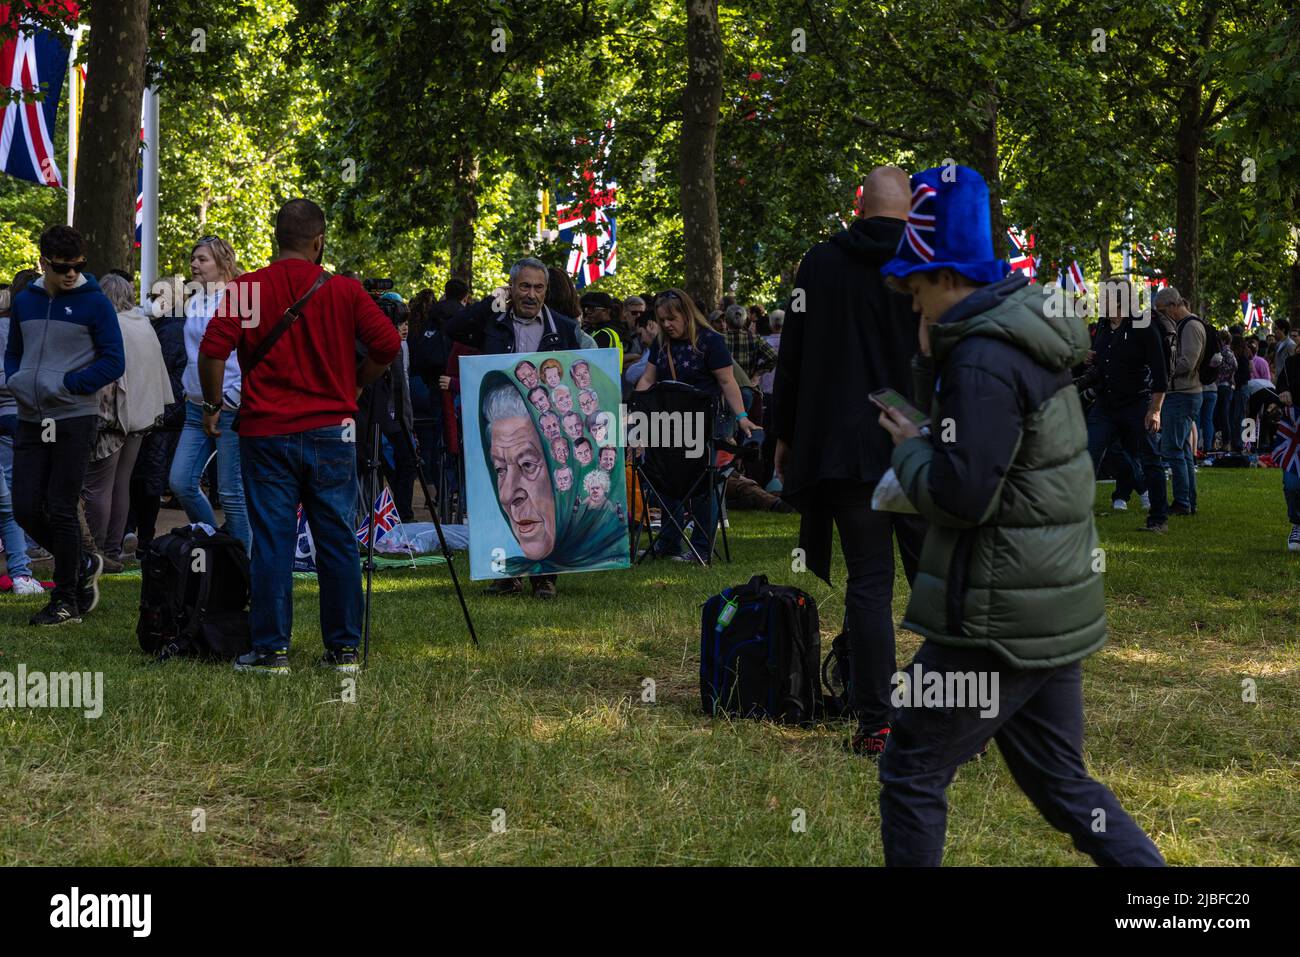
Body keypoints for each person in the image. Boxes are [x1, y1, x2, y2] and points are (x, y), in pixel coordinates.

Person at [875, 164, 1164, 866]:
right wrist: (926, 366)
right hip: (1048, 606)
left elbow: (961, 493)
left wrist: (908, 449)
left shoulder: (980, 358)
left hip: (997, 614)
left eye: (917, 295)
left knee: (910, 766)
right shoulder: (1021, 334)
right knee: (1064, 784)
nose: (916, 311)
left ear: (945, 277)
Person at [198, 198, 401, 674]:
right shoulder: (346, 291)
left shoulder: (247, 289)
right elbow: (388, 344)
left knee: (272, 539)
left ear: (274, 238)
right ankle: (344, 650)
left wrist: (211, 406)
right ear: (319, 241)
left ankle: (271, 650)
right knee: (337, 539)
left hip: (267, 432)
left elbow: (212, 350)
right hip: (334, 431)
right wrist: (356, 381)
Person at [771, 165, 926, 755]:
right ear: (909, 208)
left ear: (860, 205)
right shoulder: (930, 262)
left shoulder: (820, 263)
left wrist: (784, 433)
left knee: (869, 583)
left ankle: (876, 722)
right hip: (916, 441)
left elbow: (795, 355)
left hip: (844, 444)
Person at [445, 257, 584, 599]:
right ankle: (506, 575)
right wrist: (488, 302)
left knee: (545, 492)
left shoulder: (564, 328)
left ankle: (545, 578)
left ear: (546, 291)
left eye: (538, 287)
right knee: (500, 492)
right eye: (524, 286)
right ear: (511, 288)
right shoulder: (492, 322)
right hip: (501, 426)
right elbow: (453, 329)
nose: (531, 294)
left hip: (545, 428)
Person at [6, 225, 124, 625]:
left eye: (79, 266)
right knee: (23, 506)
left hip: (74, 416)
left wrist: (70, 385)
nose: (72, 274)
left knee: (60, 505)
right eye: (63, 268)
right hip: (30, 416)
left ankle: (66, 600)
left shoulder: (96, 303)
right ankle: (82, 562)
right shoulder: (25, 302)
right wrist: (16, 380)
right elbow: (13, 354)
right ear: (44, 263)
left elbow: (113, 360)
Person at [635, 288, 754, 563]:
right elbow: (648, 379)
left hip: (703, 424)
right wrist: (636, 411)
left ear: (687, 314)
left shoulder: (711, 341)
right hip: (665, 423)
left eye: (672, 318)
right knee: (666, 482)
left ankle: (701, 547)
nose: (666, 324)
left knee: (701, 486)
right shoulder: (661, 342)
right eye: (662, 319)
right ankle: (668, 543)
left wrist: (742, 417)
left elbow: (727, 382)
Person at [83, 274, 174, 565]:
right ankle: (111, 549)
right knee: (121, 482)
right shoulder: (142, 324)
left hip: (113, 417)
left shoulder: (110, 325)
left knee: (98, 486)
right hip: (141, 417)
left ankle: (96, 552)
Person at [170, 236, 251, 550]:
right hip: (196, 406)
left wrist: (231, 397)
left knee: (232, 493)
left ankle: (245, 567)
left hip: (229, 406)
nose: (194, 264)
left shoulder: (241, 299)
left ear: (223, 263)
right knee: (180, 481)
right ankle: (217, 549)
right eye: (193, 258)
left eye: (202, 259)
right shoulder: (197, 299)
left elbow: (252, 356)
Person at [1079, 280, 1170, 533]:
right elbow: (1103, 365)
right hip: (1105, 405)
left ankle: (1158, 518)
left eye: (1104, 297)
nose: (1099, 301)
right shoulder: (1103, 327)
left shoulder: (1143, 326)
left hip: (1137, 405)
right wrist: (1088, 358)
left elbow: (1161, 373)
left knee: (1150, 459)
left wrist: (1155, 409)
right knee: (1088, 455)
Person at [129, 276, 189, 553]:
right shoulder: (167, 326)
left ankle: (141, 538)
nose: (152, 301)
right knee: (146, 477)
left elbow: (160, 368)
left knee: (147, 478)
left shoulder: (171, 330)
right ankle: (138, 535)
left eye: (158, 295)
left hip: (163, 412)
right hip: (164, 411)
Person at [356, 295, 417, 521]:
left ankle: (403, 513)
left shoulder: (402, 347)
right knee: (377, 464)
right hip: (376, 415)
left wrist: (408, 423)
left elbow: (404, 387)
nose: (403, 329)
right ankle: (380, 515)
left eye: (405, 324)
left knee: (407, 462)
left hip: (396, 417)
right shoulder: (375, 343)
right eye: (399, 324)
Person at [1153, 286, 1205, 516]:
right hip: (1183, 394)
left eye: (1163, 310)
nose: (1161, 315)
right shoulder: (1183, 326)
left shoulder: (1191, 327)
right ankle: (1187, 500)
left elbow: (1188, 362)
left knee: (1173, 450)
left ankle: (1183, 501)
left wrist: (1163, 371)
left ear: (1175, 306)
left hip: (1184, 394)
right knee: (1181, 450)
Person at [1212, 329, 1236, 454]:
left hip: (1222, 386)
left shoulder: (1223, 352)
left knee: (1221, 416)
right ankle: (1225, 443)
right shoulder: (1230, 352)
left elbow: (1232, 366)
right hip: (1227, 386)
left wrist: (1221, 373)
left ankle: (1224, 443)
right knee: (1223, 415)